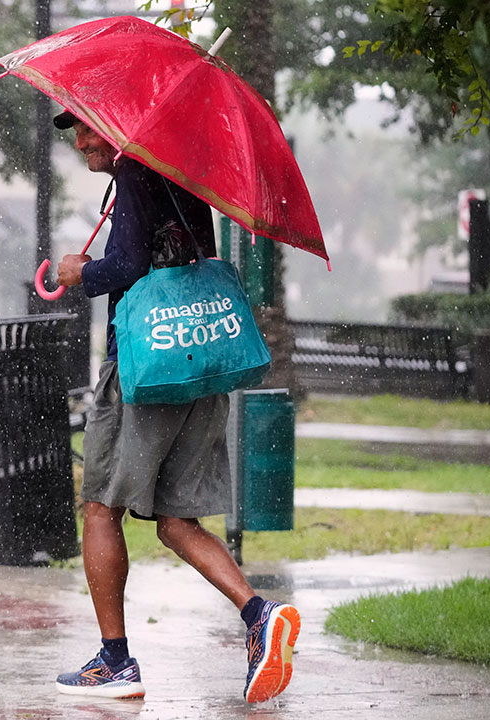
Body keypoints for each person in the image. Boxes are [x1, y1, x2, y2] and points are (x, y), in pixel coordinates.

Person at [51, 109, 300, 704]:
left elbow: (134, 267)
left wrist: (82, 272)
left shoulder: (136, 171)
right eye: (75, 130)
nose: (81, 140)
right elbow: (178, 256)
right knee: (176, 522)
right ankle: (260, 615)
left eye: (89, 127)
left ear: (121, 127)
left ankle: (115, 662)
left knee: (100, 509)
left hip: (146, 369)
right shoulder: (181, 174)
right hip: (200, 362)